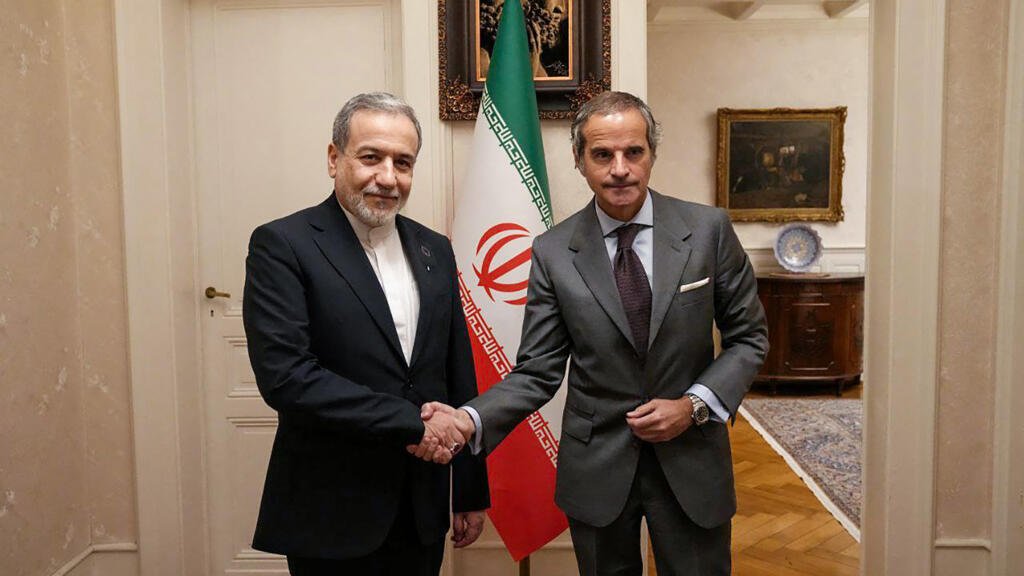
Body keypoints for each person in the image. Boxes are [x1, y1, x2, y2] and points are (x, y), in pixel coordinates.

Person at [411, 91, 768, 575]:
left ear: (652, 154)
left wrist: (693, 406)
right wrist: (469, 419)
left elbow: (749, 337)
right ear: (579, 160)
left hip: (692, 459)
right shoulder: (553, 251)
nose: (620, 169)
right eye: (602, 154)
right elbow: (537, 371)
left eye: (633, 152)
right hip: (598, 467)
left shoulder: (708, 230)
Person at [243, 92, 489, 576]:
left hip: (421, 505)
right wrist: (412, 423)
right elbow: (286, 377)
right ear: (334, 159)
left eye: (403, 162)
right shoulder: (283, 244)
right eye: (371, 157)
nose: (388, 178)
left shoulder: (434, 248)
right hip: (332, 507)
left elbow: (456, 370)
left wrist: (468, 488)